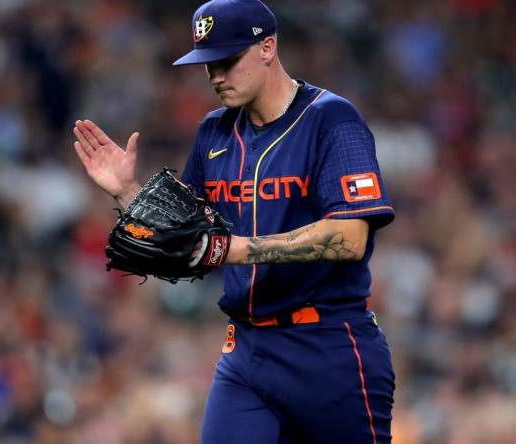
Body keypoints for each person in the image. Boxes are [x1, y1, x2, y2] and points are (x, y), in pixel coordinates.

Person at [73, 0, 395, 442]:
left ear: (267, 47)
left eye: (227, 60)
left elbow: (351, 236)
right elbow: (186, 235)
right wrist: (128, 192)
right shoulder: (214, 132)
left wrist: (235, 249)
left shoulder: (331, 119)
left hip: (329, 345)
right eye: (208, 65)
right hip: (246, 349)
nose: (216, 76)